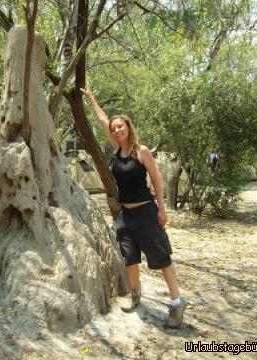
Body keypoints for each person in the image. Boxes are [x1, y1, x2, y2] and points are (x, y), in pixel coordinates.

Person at [81, 83, 186, 328]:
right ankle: (135, 295)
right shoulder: (117, 150)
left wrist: (162, 209)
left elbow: (157, 180)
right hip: (125, 216)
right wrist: (91, 98)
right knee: (129, 257)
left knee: (161, 257)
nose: (117, 130)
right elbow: (102, 119)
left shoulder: (142, 152)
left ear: (129, 127)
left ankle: (177, 302)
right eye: (114, 128)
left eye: (121, 126)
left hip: (146, 212)